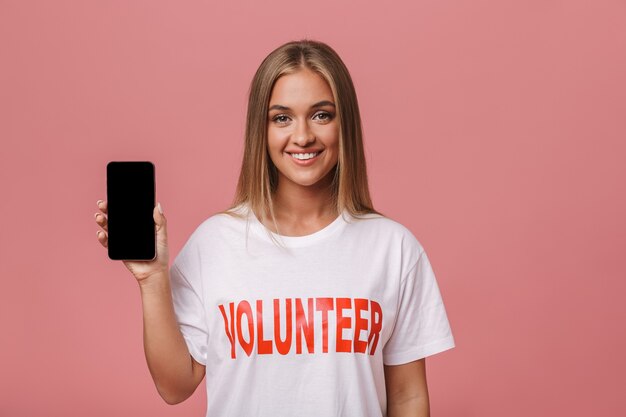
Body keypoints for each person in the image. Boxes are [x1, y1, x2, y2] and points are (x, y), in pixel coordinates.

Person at [95, 39, 455, 417]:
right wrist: (152, 279)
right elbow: (174, 386)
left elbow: (408, 398)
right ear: (261, 130)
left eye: (321, 115)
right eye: (282, 118)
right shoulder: (215, 242)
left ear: (344, 122)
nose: (302, 136)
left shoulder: (393, 248)